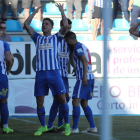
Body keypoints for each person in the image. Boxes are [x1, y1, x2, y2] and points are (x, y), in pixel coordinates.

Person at [24, 3, 71, 136]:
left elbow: (66, 26)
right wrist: (34, 12)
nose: (44, 25)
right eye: (43, 23)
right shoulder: (37, 38)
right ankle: (43, 126)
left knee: (62, 98)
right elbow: (26, 25)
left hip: (54, 72)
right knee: (40, 100)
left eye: (47, 23)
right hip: (41, 73)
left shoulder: (56, 37)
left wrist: (62, 11)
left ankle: (67, 124)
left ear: (51, 27)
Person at [64, 31, 97, 133]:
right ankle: (92, 127)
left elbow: (84, 61)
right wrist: (76, 68)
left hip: (84, 77)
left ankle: (75, 128)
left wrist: (84, 77)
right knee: (84, 103)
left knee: (75, 101)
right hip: (90, 76)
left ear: (69, 40)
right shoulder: (82, 46)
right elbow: (81, 61)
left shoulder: (77, 47)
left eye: (66, 42)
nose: (66, 44)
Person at [47, 18, 72, 132]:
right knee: (61, 99)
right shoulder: (55, 39)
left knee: (62, 99)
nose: (69, 30)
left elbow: (71, 56)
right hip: (56, 74)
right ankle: (57, 124)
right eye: (67, 27)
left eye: (70, 28)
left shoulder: (70, 42)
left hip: (64, 75)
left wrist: (75, 66)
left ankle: (55, 124)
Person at [0, 29, 14, 133]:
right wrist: (8, 69)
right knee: (3, 101)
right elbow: (9, 59)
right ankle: (5, 127)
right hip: (1, 76)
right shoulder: (4, 44)